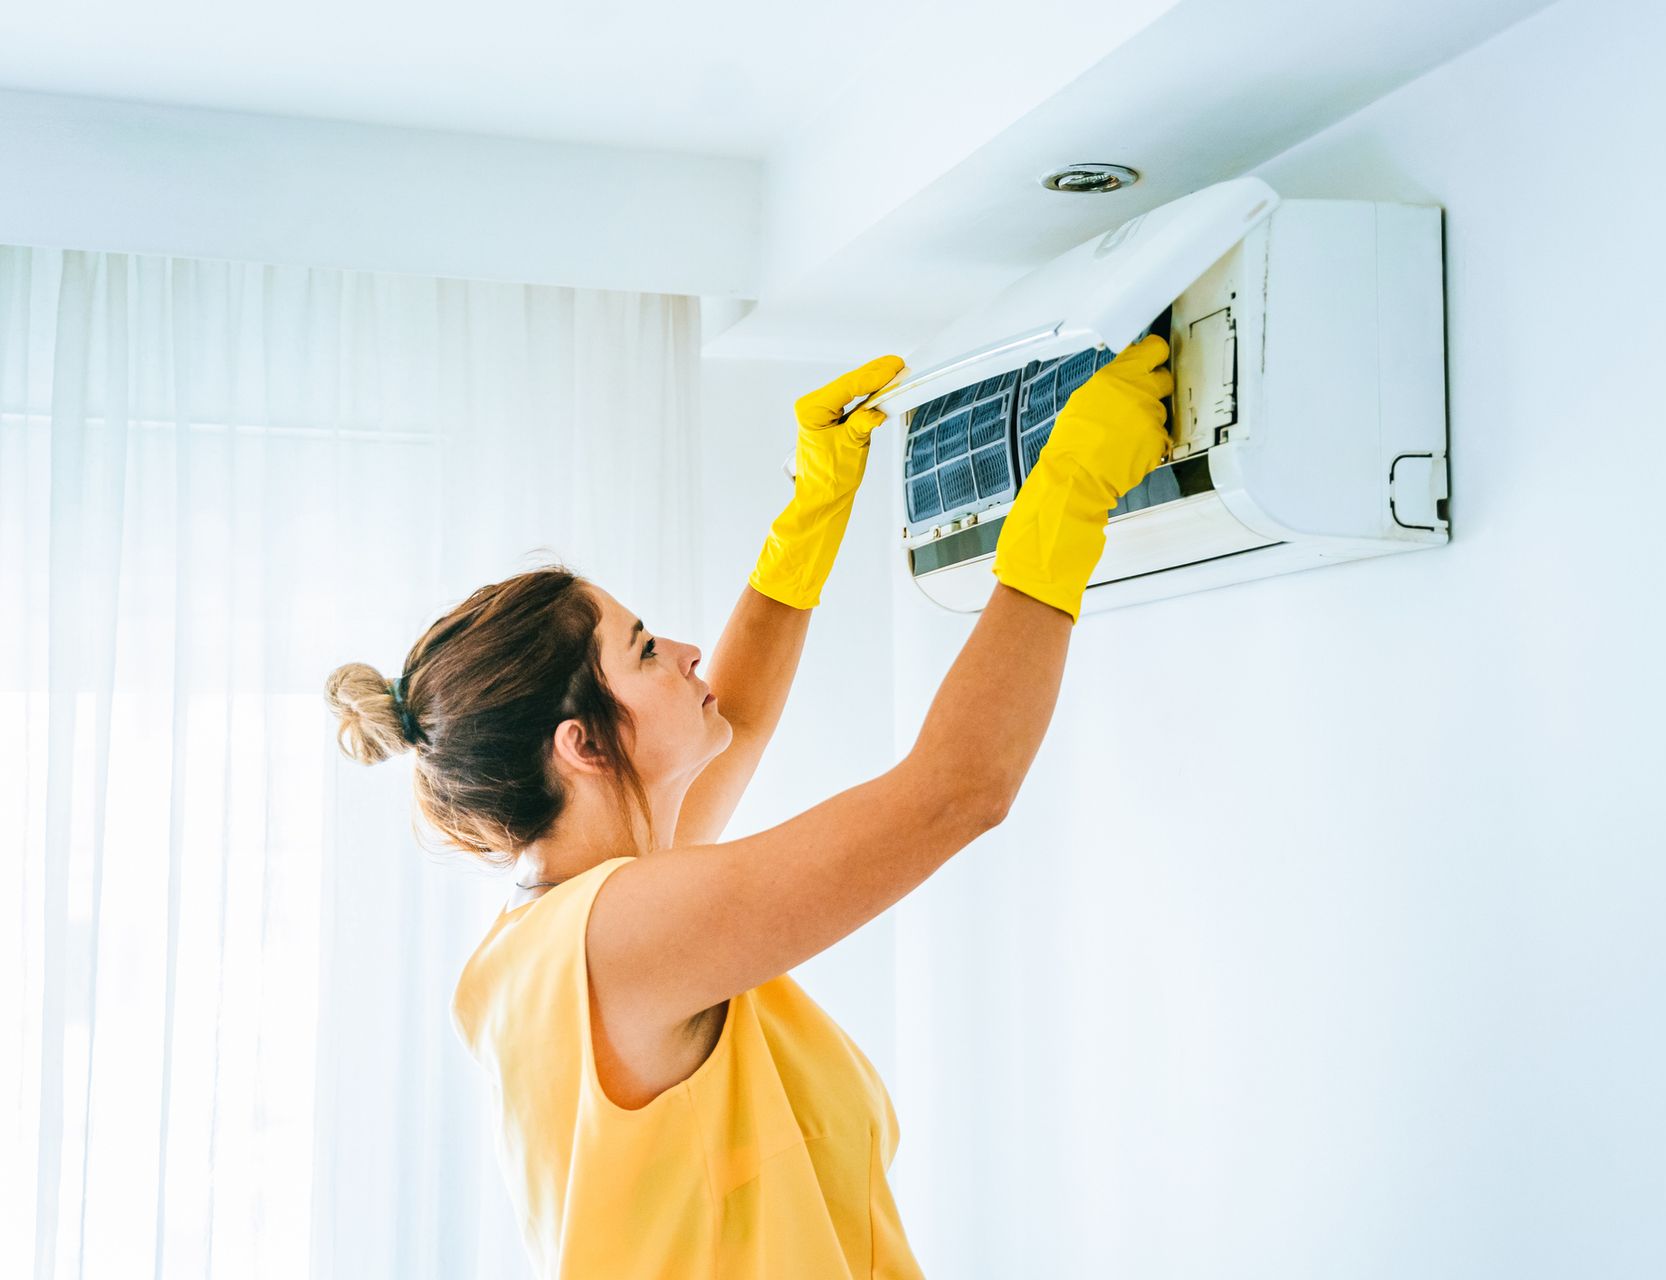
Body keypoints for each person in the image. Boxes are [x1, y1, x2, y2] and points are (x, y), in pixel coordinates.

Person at [323, 334, 1174, 1278]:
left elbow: (742, 712)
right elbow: (958, 790)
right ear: (587, 745)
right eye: (645, 649)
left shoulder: (576, 921)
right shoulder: (621, 937)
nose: (686, 652)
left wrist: (813, 511)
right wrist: (1065, 509)